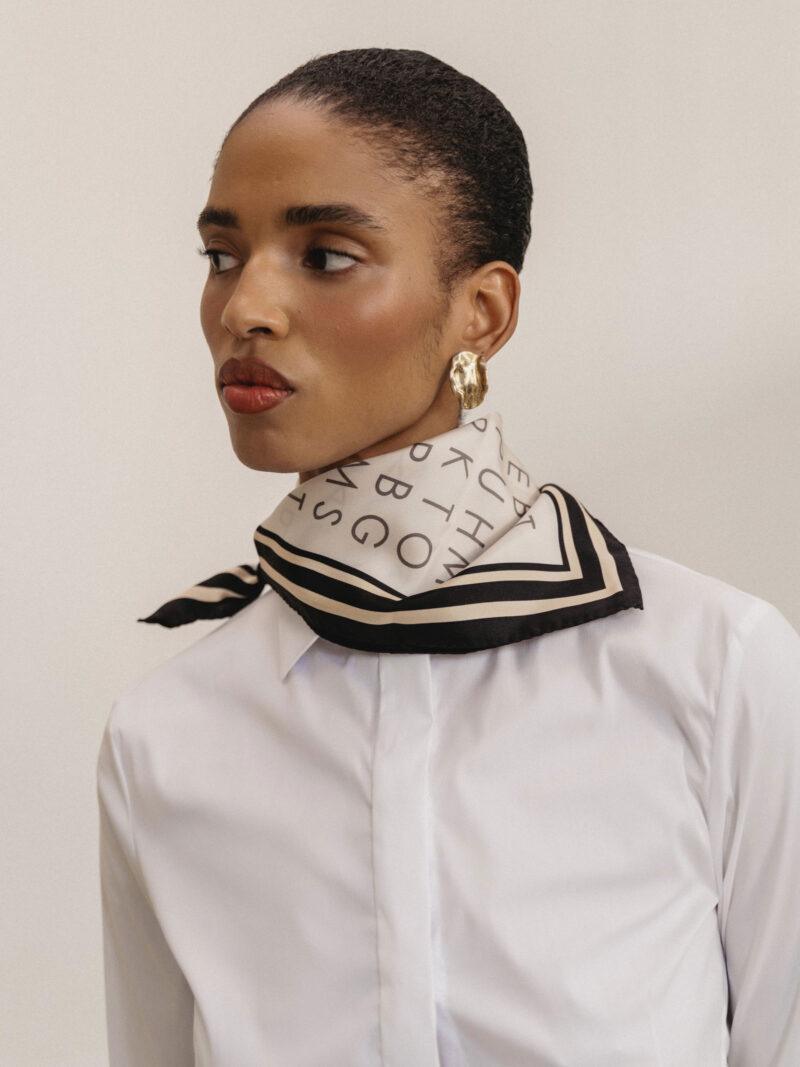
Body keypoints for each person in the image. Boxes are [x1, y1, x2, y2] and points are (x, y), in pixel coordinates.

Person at [95, 47, 800, 1067]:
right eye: (221, 255)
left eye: (325, 255)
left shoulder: (713, 669)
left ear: (483, 313)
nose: (244, 307)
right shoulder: (164, 734)